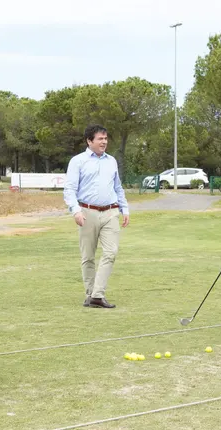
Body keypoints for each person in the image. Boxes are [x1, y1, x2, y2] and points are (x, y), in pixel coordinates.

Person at [64, 125, 130, 309]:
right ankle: (90, 294)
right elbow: (69, 189)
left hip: (111, 212)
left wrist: (125, 208)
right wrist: (75, 210)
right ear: (89, 141)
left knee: (111, 252)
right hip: (86, 212)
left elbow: (118, 187)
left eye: (106, 138)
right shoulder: (78, 161)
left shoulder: (112, 161)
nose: (104, 142)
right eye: (100, 139)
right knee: (88, 256)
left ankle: (97, 295)